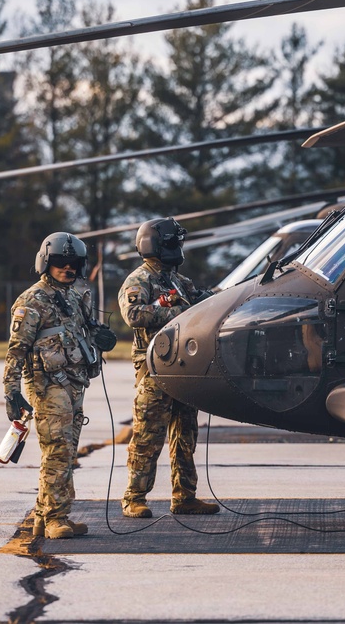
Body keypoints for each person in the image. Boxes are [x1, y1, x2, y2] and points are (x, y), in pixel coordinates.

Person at [2, 232, 118, 540]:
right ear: (45, 262)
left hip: (74, 383)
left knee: (66, 452)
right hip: (47, 386)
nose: (67, 268)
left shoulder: (76, 296)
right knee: (57, 451)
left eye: (73, 263)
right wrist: (11, 391)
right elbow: (16, 350)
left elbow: (83, 332)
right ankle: (56, 518)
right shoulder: (31, 301)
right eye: (60, 262)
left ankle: (44, 516)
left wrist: (99, 336)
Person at [119, 217, 220, 518]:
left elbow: (202, 302)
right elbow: (133, 314)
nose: (177, 247)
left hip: (183, 367)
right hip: (154, 370)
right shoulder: (139, 280)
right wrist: (178, 312)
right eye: (173, 242)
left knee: (185, 434)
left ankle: (184, 496)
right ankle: (134, 498)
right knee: (147, 436)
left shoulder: (178, 281)